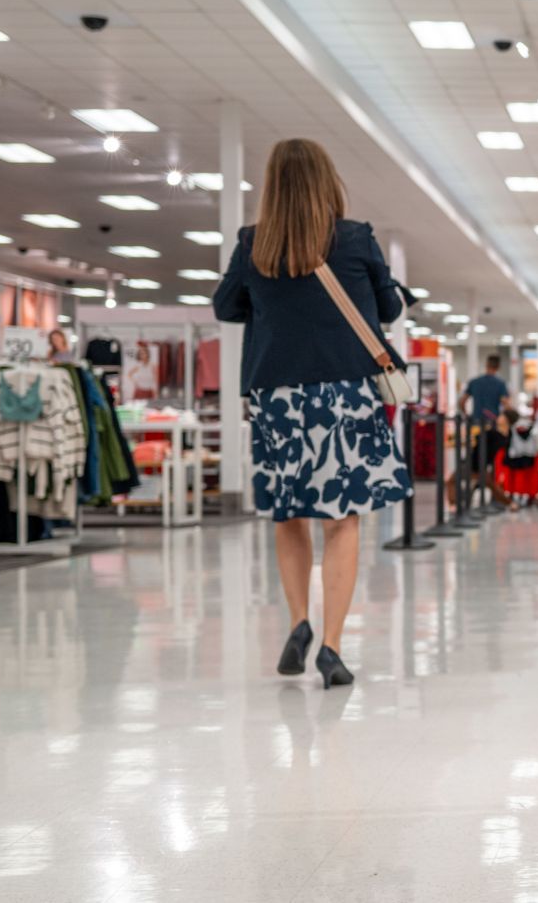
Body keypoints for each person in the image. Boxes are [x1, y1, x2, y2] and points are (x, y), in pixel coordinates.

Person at [213, 138, 411, 688]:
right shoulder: (354, 238)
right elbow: (389, 308)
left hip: (278, 400)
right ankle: (330, 646)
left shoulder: (254, 244)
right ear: (328, 182)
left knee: (288, 514)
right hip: (345, 396)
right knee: (342, 520)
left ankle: (299, 620)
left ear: (273, 187)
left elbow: (226, 306)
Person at [460, 354, 510, 504]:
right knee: (491, 461)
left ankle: (472, 489)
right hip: (492, 428)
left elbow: (462, 401)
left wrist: (467, 415)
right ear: (498, 367)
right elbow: (506, 404)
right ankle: (492, 496)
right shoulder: (500, 384)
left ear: (486, 364)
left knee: (474, 459)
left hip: (475, 426)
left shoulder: (474, 382)